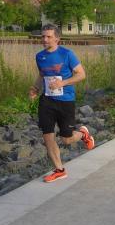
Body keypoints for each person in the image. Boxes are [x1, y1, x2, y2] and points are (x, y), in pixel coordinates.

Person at [29, 24, 95, 183]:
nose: (45, 39)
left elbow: (81, 75)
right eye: (43, 36)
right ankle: (59, 170)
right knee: (47, 136)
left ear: (57, 38)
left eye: (49, 36)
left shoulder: (67, 54)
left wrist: (62, 83)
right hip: (47, 101)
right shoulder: (40, 56)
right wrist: (35, 88)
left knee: (67, 139)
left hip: (65, 101)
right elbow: (42, 75)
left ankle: (83, 134)